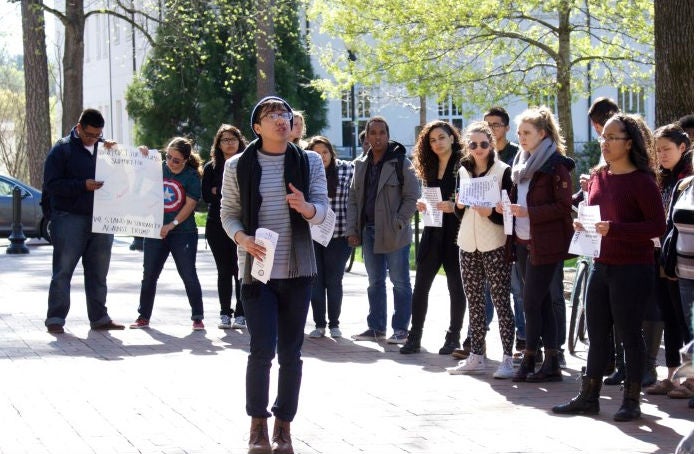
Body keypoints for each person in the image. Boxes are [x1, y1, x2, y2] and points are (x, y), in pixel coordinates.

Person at [220, 96, 328, 454]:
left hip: (297, 270)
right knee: (261, 350)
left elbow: (322, 210)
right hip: (256, 272)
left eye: (283, 113)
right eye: (270, 115)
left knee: (291, 354)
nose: (280, 119)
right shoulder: (238, 165)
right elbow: (228, 212)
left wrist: (307, 208)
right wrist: (242, 238)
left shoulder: (309, 160)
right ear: (257, 127)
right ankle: (257, 427)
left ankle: (284, 426)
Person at [552, 113, 666, 421]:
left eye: (612, 138)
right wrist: (584, 224)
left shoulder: (642, 181)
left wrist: (615, 229)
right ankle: (588, 396)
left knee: (630, 334)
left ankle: (631, 400)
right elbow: (596, 215)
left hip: (633, 268)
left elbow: (658, 225)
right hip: (600, 266)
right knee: (597, 333)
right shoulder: (599, 177)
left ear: (629, 143)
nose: (605, 143)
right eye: (604, 137)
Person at [496, 106, 574, 383]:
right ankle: (550, 360)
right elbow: (520, 200)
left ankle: (530, 356)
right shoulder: (521, 162)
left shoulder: (556, 165)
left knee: (530, 301)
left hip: (546, 242)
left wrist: (529, 212)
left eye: (526, 132)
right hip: (522, 240)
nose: (522, 137)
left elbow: (563, 207)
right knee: (538, 303)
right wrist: (506, 207)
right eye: (519, 132)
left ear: (542, 134)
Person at [43, 108, 125, 333]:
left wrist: (123, 153)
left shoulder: (106, 148)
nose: (93, 139)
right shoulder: (62, 150)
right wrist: (82, 185)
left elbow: (126, 174)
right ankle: (55, 319)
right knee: (63, 270)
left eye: (97, 135)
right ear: (78, 128)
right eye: (89, 135)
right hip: (70, 218)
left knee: (99, 272)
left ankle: (100, 318)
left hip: (102, 218)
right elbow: (52, 185)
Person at [445, 121, 515, 378]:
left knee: (500, 301)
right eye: (472, 144)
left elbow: (508, 215)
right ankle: (477, 355)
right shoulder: (463, 170)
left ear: (491, 144)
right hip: (467, 242)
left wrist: (492, 214)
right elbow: (458, 209)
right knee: (474, 301)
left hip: (494, 242)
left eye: (483, 144)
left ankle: (507, 358)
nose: (478, 149)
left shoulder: (503, 171)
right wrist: (459, 205)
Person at [347, 116, 420, 344]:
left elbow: (412, 196)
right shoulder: (360, 164)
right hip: (368, 231)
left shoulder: (401, 162)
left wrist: (399, 221)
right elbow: (353, 199)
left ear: (388, 136)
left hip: (394, 232)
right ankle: (376, 328)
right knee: (374, 281)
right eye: (373, 133)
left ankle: (401, 329)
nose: (377, 137)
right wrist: (353, 229)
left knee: (400, 282)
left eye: (382, 133)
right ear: (366, 137)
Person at [399, 121, 466, 355]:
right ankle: (414, 335)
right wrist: (422, 204)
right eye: (432, 140)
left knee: (456, 287)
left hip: (456, 231)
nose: (437, 143)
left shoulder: (463, 165)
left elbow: (469, 200)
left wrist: (454, 207)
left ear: (452, 138)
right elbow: (430, 196)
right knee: (421, 286)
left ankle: (453, 337)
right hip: (432, 229)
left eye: (441, 137)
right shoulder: (428, 165)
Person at [130, 137, 206, 330]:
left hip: (183, 232)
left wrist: (171, 224)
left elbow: (190, 205)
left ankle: (197, 316)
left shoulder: (191, 176)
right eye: (168, 157)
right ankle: (143, 316)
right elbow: (136, 175)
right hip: (155, 231)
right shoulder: (158, 168)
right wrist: (142, 155)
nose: (170, 162)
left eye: (176, 160)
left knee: (188, 273)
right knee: (149, 275)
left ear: (186, 160)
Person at [645, 124, 693, 396]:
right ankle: (672, 375)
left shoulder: (687, 177)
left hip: (680, 258)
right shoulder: (662, 177)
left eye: (667, 149)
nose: (661, 155)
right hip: (661, 254)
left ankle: (689, 379)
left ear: (682, 148)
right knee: (669, 315)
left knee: (684, 318)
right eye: (658, 149)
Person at [484, 106, 525, 352]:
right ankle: (477, 333)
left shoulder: (517, 155)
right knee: (487, 286)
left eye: (496, 124)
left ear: (507, 128)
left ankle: (523, 335)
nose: (491, 129)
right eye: (487, 124)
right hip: (488, 227)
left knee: (517, 288)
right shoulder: (482, 153)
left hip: (513, 228)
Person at [306, 136, 354, 339]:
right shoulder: (306, 172)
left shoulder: (346, 169)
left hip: (339, 235)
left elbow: (355, 198)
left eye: (325, 152)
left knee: (334, 281)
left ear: (331, 153)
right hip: (312, 236)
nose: (321, 156)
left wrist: (354, 230)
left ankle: (334, 323)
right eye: (316, 153)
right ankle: (319, 324)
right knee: (315, 281)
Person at [202, 125, 248, 330]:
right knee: (223, 270)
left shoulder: (248, 163)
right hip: (216, 225)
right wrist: (221, 192)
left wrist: (218, 190)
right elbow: (207, 196)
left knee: (240, 268)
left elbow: (246, 194)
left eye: (233, 139)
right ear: (218, 144)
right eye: (224, 140)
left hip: (242, 224)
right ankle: (224, 312)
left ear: (240, 141)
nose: (229, 143)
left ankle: (241, 312)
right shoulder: (211, 167)